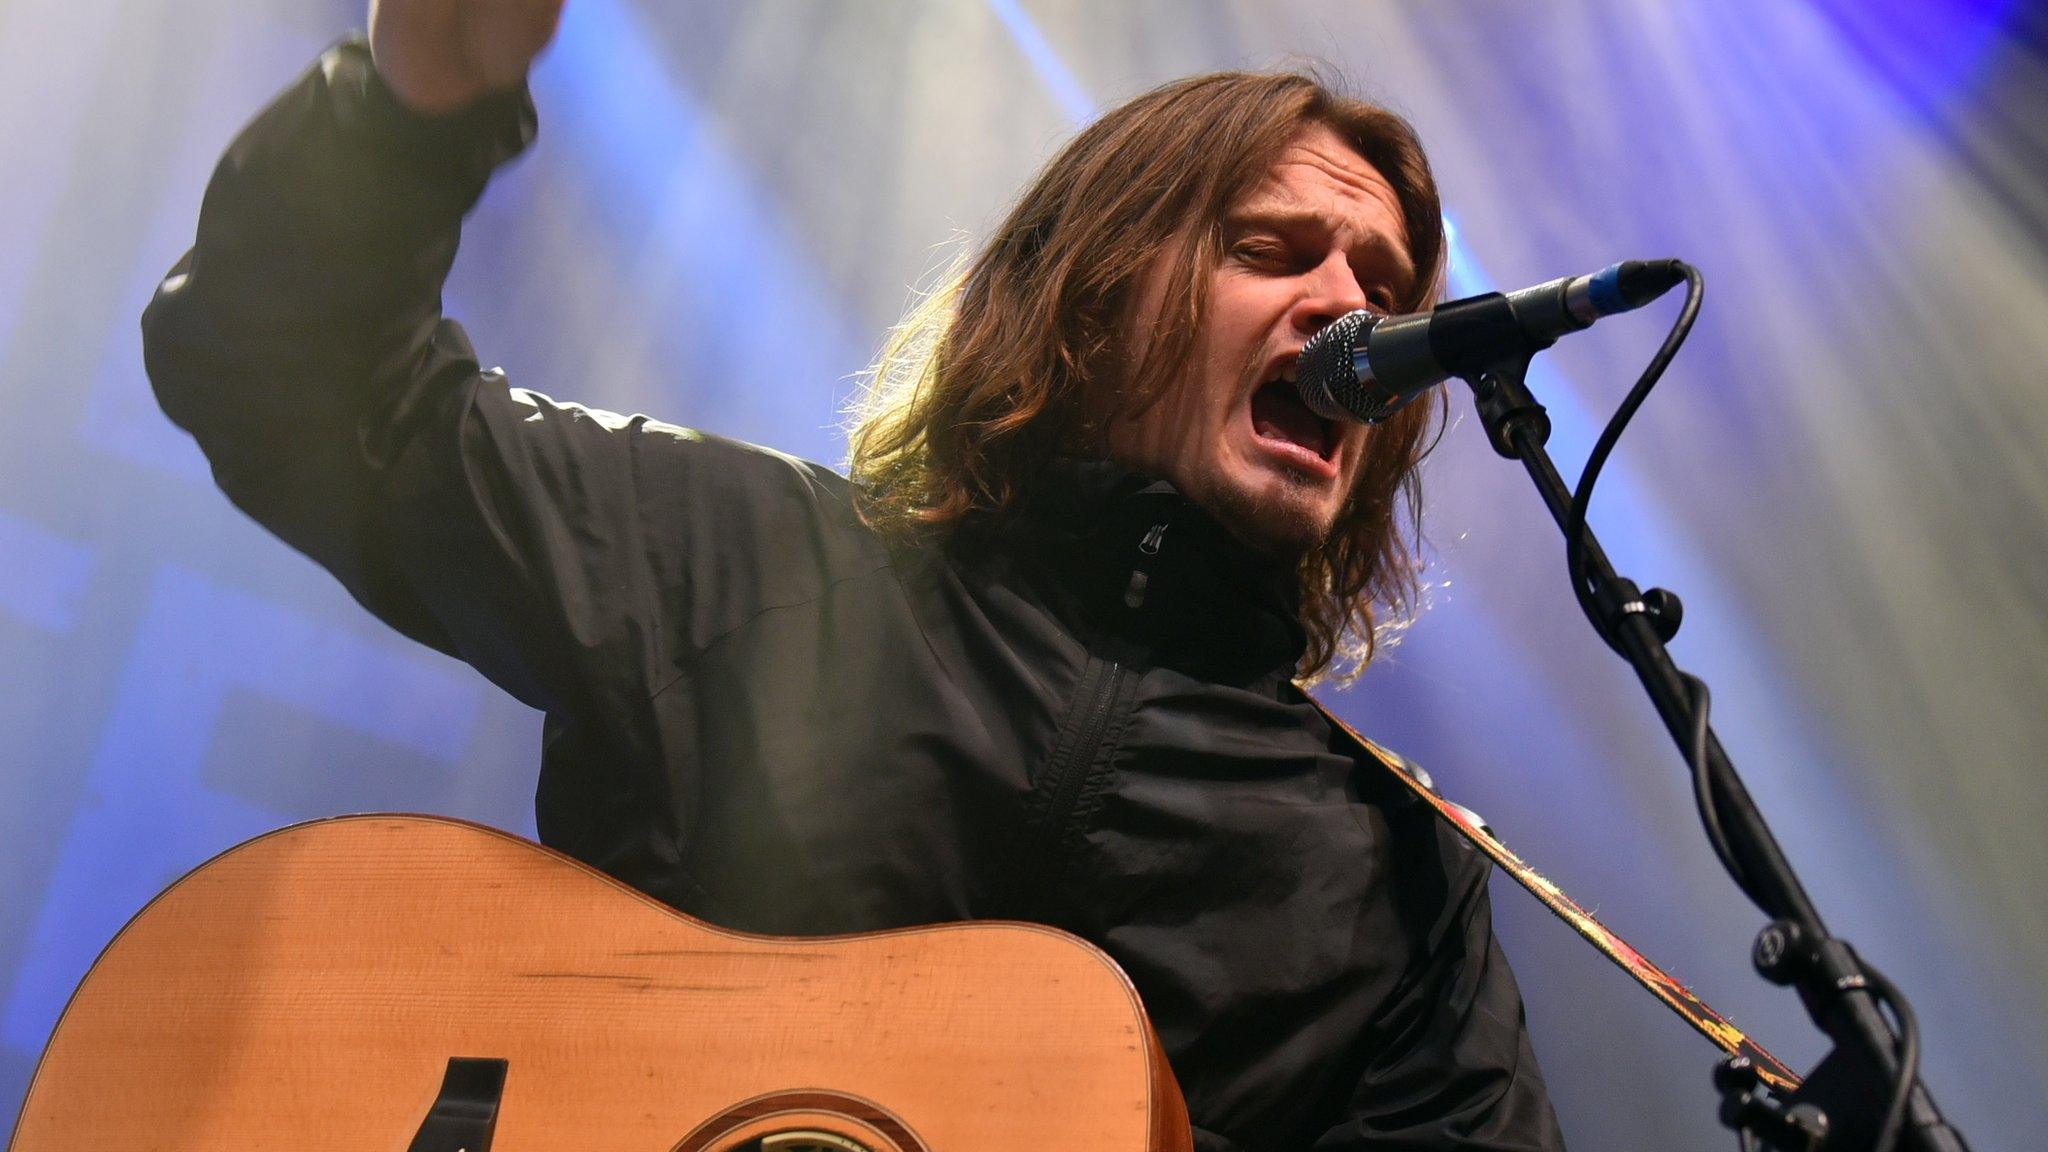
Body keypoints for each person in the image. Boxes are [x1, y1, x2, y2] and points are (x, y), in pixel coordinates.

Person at [141, 1, 1568, 1147]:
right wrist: (414, 106)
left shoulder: (1389, 880)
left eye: (1387, 293)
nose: (1348, 310)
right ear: (1092, 289)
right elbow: (295, 385)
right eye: (1273, 251)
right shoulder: (740, 564)